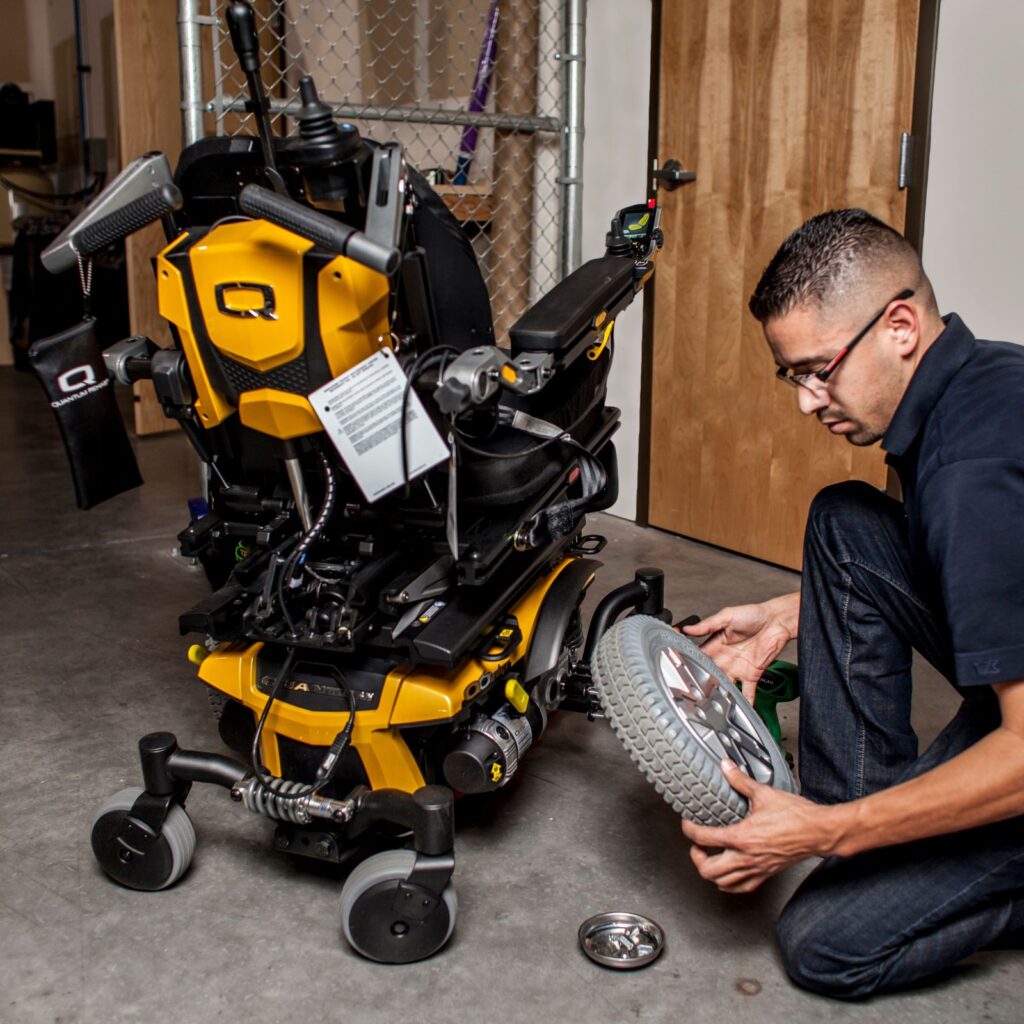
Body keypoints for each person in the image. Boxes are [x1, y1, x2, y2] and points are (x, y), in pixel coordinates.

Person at [680, 208, 1024, 999]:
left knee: (825, 943)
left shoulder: (973, 473)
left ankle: (866, 832)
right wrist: (791, 613)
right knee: (844, 522)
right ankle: (869, 827)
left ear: (899, 325)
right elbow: (974, 574)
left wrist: (828, 832)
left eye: (817, 369)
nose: (806, 402)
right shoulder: (977, 386)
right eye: (790, 376)